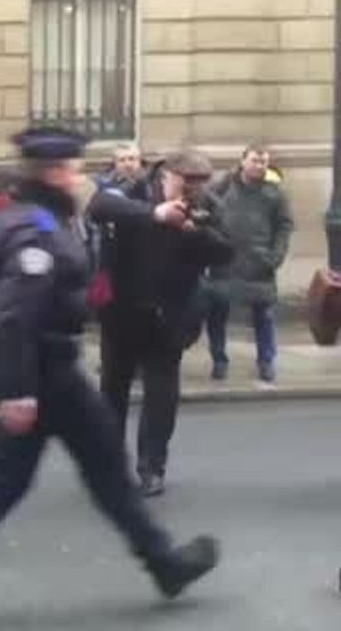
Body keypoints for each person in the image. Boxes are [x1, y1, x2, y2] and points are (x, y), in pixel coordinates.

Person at [0, 128, 220, 628]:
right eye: (73, 168)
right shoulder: (36, 229)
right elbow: (16, 313)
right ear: (53, 172)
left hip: (45, 367)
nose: (78, 178)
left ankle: (163, 562)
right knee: (71, 472)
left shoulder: (25, 217)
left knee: (67, 472)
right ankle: (162, 562)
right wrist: (18, 391)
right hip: (46, 370)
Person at [89, 149, 234, 497]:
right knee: (113, 389)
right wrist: (156, 214)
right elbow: (99, 206)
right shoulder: (134, 190)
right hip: (122, 312)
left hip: (171, 316)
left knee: (161, 397)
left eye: (201, 183)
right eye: (188, 182)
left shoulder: (208, 206)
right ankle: (109, 465)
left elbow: (227, 251)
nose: (195, 189)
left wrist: (192, 231)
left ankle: (152, 468)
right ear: (167, 175)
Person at [206, 144, 294, 383]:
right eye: (255, 160)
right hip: (224, 262)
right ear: (243, 161)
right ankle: (219, 360)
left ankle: (266, 362)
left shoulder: (275, 193)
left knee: (263, 316)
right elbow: (206, 216)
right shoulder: (222, 187)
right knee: (217, 314)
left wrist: (275, 256)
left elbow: (284, 226)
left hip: (259, 263)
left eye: (263, 161)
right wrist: (212, 247)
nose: (259, 166)